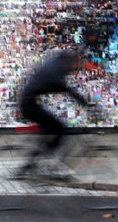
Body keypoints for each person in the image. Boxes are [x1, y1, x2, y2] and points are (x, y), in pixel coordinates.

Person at [18, 47, 90, 177]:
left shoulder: (54, 64)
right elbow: (67, 89)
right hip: (29, 105)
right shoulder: (56, 71)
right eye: (75, 64)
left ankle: (30, 165)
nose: (75, 67)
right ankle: (44, 162)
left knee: (49, 133)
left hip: (29, 102)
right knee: (60, 128)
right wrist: (86, 104)